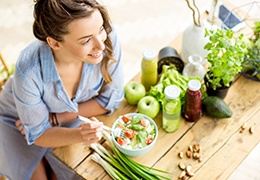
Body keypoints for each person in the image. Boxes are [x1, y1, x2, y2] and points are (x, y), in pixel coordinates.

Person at [0, 0, 124, 179]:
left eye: (101, 29)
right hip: (15, 121)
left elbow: (111, 99)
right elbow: (40, 134)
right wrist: (81, 134)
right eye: (86, 40)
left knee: (67, 172)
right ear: (55, 43)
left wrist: (58, 118)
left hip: (64, 118)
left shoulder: (107, 38)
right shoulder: (28, 70)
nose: (101, 45)